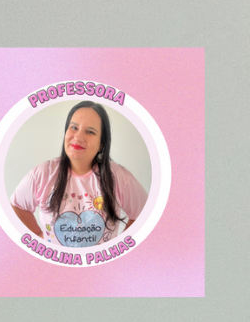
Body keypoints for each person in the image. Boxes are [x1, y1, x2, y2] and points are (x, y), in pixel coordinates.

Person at [11, 102, 148, 248]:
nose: (78, 137)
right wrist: (38, 235)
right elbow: (17, 206)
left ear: (102, 144)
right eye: (74, 128)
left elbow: (146, 213)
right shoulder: (42, 174)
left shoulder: (118, 177)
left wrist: (119, 247)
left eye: (90, 132)